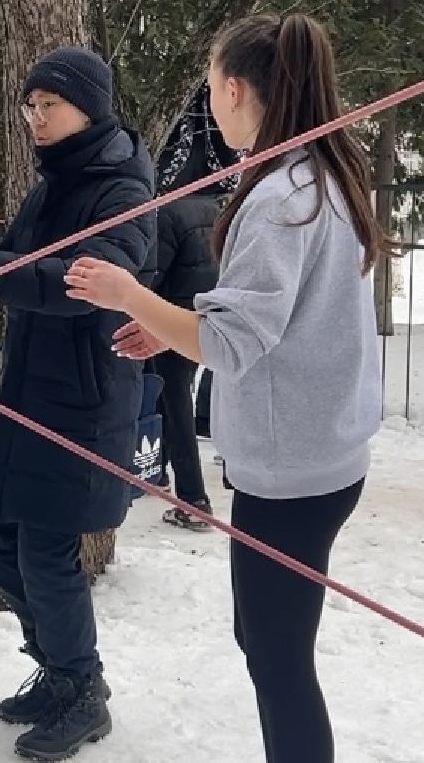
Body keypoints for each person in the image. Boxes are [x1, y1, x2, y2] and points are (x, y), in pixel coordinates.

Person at [63, 14, 384, 763]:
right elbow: (275, 322)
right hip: (320, 453)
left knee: (277, 663)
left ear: (236, 90)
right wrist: (171, 325)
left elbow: (233, 343)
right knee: (265, 641)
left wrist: (127, 294)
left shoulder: (280, 199)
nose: (209, 103)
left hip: (294, 470)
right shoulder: (318, 172)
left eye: (210, 88)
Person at [0, 45, 154, 763]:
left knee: (45, 547)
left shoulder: (124, 188)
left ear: (90, 107)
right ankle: (57, 666)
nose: (35, 119)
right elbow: (4, 270)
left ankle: (82, 689)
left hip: (85, 394)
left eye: (50, 106)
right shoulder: (51, 186)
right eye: (30, 106)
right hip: (28, 389)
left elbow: (82, 281)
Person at [138, 86, 238, 529]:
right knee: (183, 395)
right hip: (212, 313)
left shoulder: (171, 210)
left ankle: (193, 499)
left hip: (171, 317)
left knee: (172, 398)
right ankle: (161, 468)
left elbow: (153, 272)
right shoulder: (226, 206)